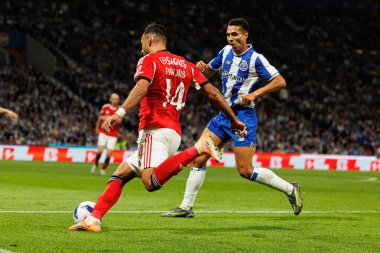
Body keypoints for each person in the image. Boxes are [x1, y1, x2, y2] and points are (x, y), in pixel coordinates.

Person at [69, 23, 246, 232]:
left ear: (149, 40)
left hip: (154, 129)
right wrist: (234, 120)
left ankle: (199, 148)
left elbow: (142, 87)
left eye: (141, 42)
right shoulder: (186, 65)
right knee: (121, 174)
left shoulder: (148, 60)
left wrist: (120, 112)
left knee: (150, 182)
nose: (140, 47)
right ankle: (93, 219)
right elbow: (214, 94)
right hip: (173, 132)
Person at [162, 18, 303, 218]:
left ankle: (290, 189)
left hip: (244, 117)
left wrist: (254, 94)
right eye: (228, 35)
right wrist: (202, 68)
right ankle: (186, 207)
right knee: (199, 157)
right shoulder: (225, 52)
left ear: (246, 35)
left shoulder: (256, 59)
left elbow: (280, 81)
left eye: (235, 34)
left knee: (245, 170)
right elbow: (208, 74)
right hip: (224, 115)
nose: (231, 39)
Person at [90, 93, 121, 176]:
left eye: (116, 99)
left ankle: (103, 169)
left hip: (113, 134)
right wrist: (97, 128)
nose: (115, 100)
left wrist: (109, 118)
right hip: (103, 132)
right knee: (100, 150)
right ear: (110, 99)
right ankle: (95, 164)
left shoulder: (119, 109)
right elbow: (100, 118)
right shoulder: (105, 107)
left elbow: (120, 121)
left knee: (109, 154)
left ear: (118, 100)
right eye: (113, 99)